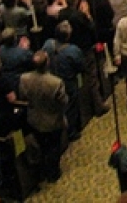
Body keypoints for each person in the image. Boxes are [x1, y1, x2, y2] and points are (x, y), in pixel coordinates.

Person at [19, 51, 68, 183]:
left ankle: (44, 171)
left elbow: (23, 97)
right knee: (54, 147)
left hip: (34, 119)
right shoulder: (55, 82)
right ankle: (53, 173)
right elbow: (63, 101)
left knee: (42, 145)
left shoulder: (24, 78)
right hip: (53, 120)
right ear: (47, 63)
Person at [42, 21, 85, 142]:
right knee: (71, 107)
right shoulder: (73, 50)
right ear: (68, 36)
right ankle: (71, 132)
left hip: (50, 80)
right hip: (68, 83)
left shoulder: (48, 44)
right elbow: (81, 66)